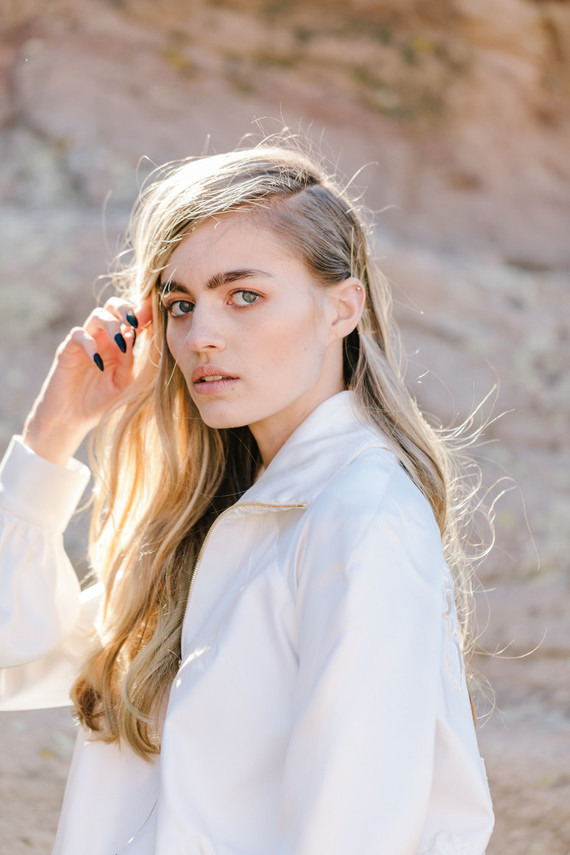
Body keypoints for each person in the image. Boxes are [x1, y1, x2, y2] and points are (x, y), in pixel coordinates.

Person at [0, 142, 494, 854]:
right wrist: (52, 435)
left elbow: (353, 828)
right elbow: (15, 654)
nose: (201, 335)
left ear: (341, 308)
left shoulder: (361, 519)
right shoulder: (215, 526)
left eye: (244, 296)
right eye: (179, 304)